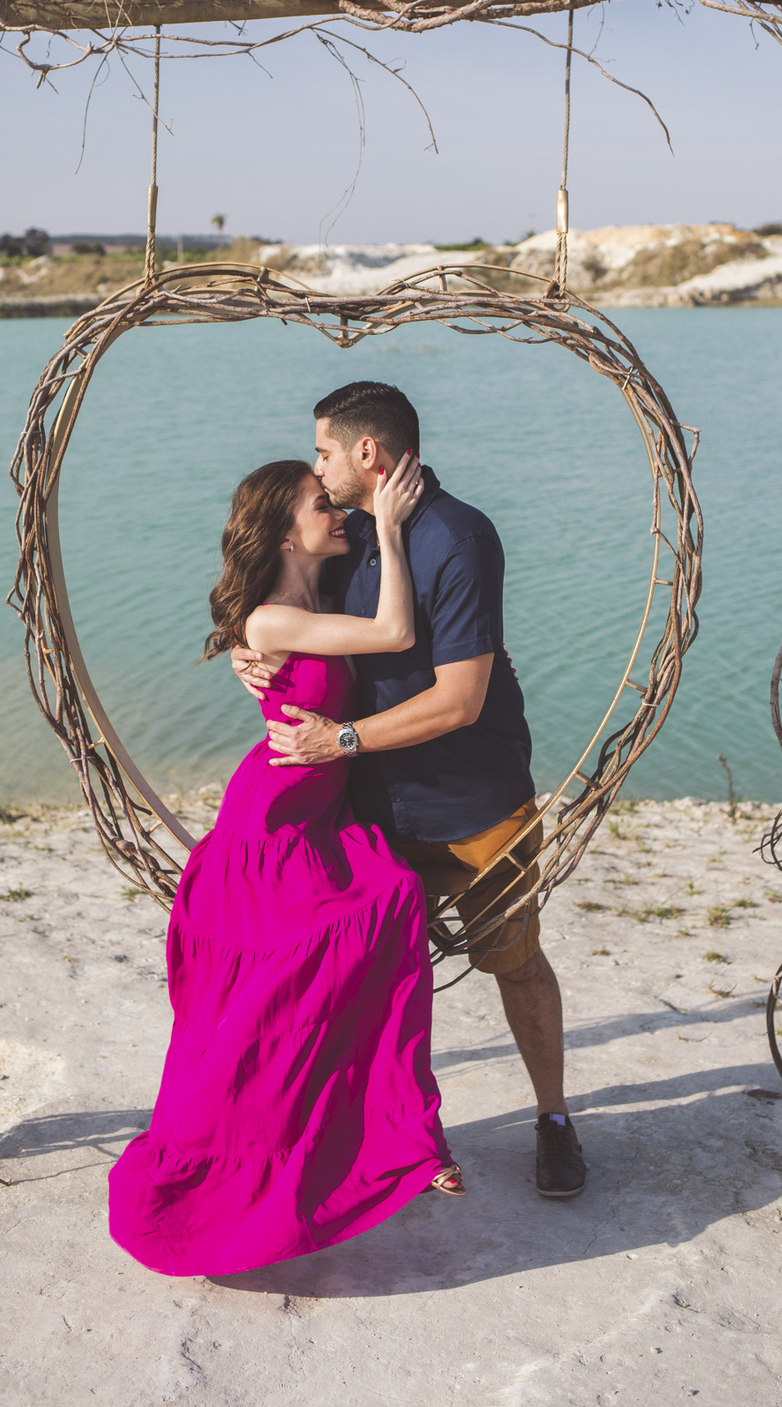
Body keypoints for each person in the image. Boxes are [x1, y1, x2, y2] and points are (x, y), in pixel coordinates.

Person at [109, 450, 462, 1280]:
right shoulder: (272, 619)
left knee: (388, 909)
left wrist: (249, 662)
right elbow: (395, 635)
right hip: (269, 825)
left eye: (333, 502)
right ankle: (246, 1164)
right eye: (318, 506)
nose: (334, 512)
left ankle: (402, 1137)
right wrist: (391, 528)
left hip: (317, 812)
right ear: (282, 532)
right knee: (277, 999)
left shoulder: (315, 598)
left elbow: (327, 655)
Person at [232, 381, 587, 1200]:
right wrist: (245, 653)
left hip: (474, 802)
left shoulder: (460, 538)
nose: (317, 466)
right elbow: (278, 601)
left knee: (516, 963)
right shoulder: (348, 532)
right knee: (368, 980)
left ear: (368, 453)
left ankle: (555, 1120)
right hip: (366, 810)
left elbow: (459, 699)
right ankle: (393, 1137)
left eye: (324, 449)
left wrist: (340, 737)